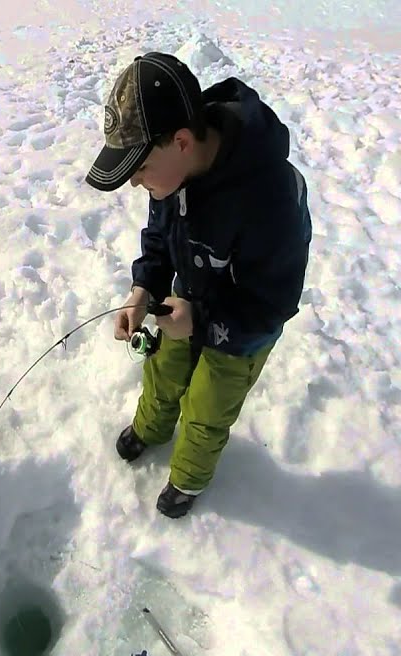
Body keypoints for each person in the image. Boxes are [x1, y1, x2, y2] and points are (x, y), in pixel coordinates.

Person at [85, 52, 313, 519]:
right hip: (186, 305)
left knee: (208, 405)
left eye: (139, 170)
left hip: (243, 331)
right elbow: (159, 237)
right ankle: (150, 429)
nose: (134, 184)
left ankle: (188, 478)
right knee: (163, 372)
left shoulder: (267, 200)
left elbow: (273, 301)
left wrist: (202, 322)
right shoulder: (170, 178)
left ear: (182, 142)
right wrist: (143, 289)